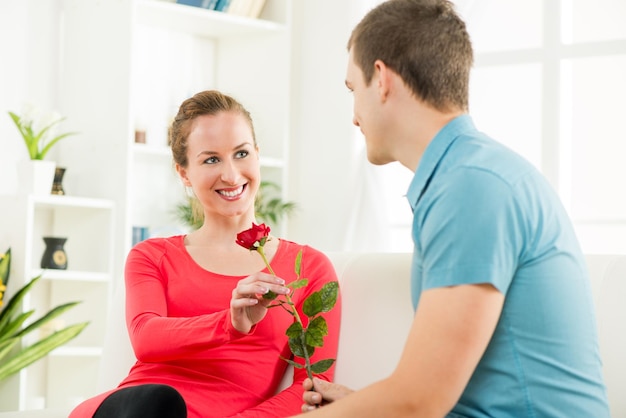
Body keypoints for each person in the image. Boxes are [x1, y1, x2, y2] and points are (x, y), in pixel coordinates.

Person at [297, 0, 610, 416]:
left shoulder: (472, 185)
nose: (354, 116)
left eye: (353, 90)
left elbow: (418, 401)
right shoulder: (467, 174)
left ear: (381, 79)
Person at [69, 90, 342, 418]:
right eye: (211, 159)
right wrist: (230, 323)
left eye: (241, 153)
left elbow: (312, 386)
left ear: (257, 154)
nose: (230, 174)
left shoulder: (308, 269)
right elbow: (146, 337)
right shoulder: (152, 255)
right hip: (135, 408)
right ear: (184, 173)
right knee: (153, 404)